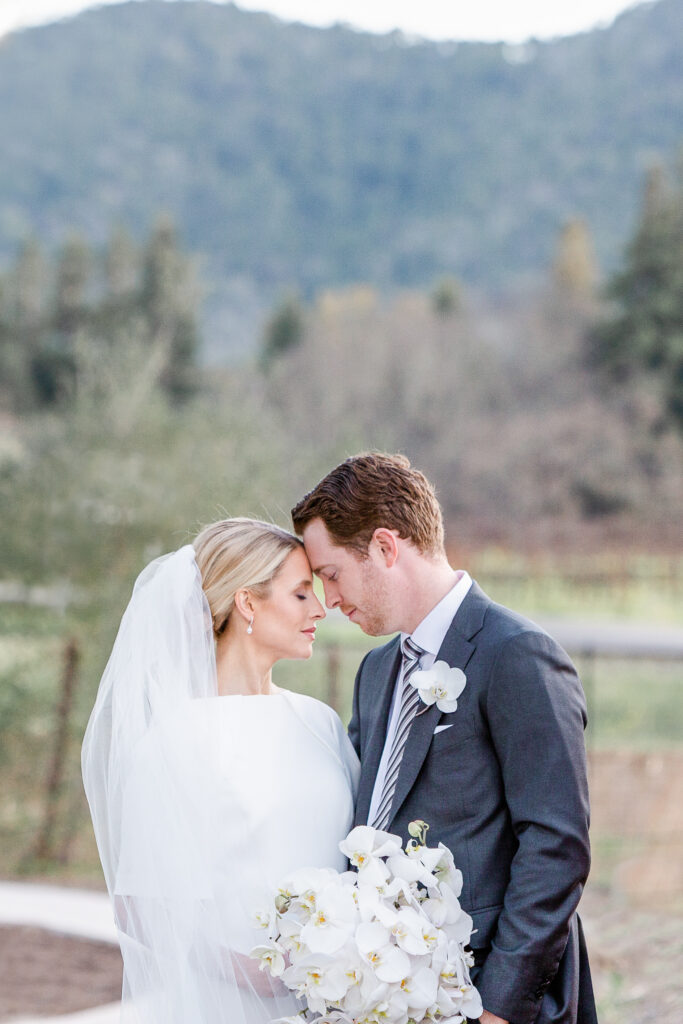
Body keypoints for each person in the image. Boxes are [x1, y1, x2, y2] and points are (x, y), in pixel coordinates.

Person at [292, 453, 597, 1024]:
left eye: (331, 574)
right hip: (391, 993)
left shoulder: (518, 655)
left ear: (385, 547)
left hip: (488, 993)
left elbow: (556, 846)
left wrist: (501, 1007)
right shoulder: (377, 673)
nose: (328, 600)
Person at [81, 518, 359, 1024]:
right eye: (300, 594)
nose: (321, 608)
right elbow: (140, 905)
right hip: (226, 1005)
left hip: (338, 1001)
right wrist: (251, 974)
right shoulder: (174, 739)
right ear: (248, 602)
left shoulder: (320, 722)